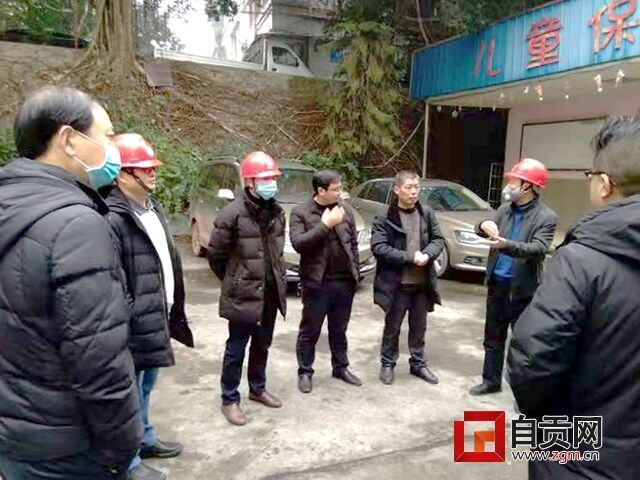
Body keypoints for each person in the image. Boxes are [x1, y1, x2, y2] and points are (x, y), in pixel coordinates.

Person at [0, 86, 141, 479]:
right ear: (69, 140)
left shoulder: (11, 206)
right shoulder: (76, 224)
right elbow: (99, 359)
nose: (114, 148)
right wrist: (122, 448)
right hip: (67, 447)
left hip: (16, 436)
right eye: (107, 135)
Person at [508, 117, 640, 479]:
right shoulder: (508, 212)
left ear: (604, 184)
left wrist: (545, 423)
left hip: (579, 455)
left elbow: (532, 361)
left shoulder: (581, 260)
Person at [105, 133, 194, 480]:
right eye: (143, 168)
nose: (152, 173)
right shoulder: (112, 217)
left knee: (146, 385)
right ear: (121, 174)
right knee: (129, 394)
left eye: (153, 167)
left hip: (159, 315)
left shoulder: (152, 208)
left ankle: (145, 439)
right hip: (134, 323)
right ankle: (128, 463)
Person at [208, 151, 287, 426]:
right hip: (243, 295)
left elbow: (276, 253)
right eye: (265, 179)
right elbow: (216, 255)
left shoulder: (277, 212)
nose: (271, 184)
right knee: (236, 349)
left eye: (273, 179)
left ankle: (258, 388)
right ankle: (229, 399)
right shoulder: (231, 214)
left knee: (262, 344)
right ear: (250, 182)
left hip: (270, 293)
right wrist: (236, 279)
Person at [469, 158, 558, 396]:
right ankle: (490, 381)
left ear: (527, 186)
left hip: (523, 289)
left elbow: (538, 248)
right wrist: (483, 224)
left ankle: (523, 389)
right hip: (498, 285)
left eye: (514, 181)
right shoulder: (504, 210)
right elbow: (482, 226)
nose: (508, 185)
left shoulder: (546, 217)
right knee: (493, 337)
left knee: (524, 341)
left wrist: (505, 245)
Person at [290, 169, 362, 394]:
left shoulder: (345, 209)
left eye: (340, 188)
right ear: (320, 191)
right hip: (317, 283)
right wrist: (325, 225)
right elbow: (299, 244)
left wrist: (356, 273)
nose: (339, 193)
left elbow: (353, 244)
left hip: (344, 282)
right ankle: (305, 371)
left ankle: (340, 367)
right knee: (310, 330)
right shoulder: (301, 212)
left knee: (339, 329)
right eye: (335, 189)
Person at [371, 171, 444, 386]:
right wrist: (411, 258)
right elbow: (379, 247)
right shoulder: (385, 215)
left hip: (422, 283)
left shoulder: (426, 213)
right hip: (397, 284)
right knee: (392, 327)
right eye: (409, 187)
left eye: (416, 187)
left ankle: (418, 363)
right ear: (397, 189)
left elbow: (438, 240)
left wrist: (428, 254)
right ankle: (387, 363)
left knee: (419, 327)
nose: (414, 192)